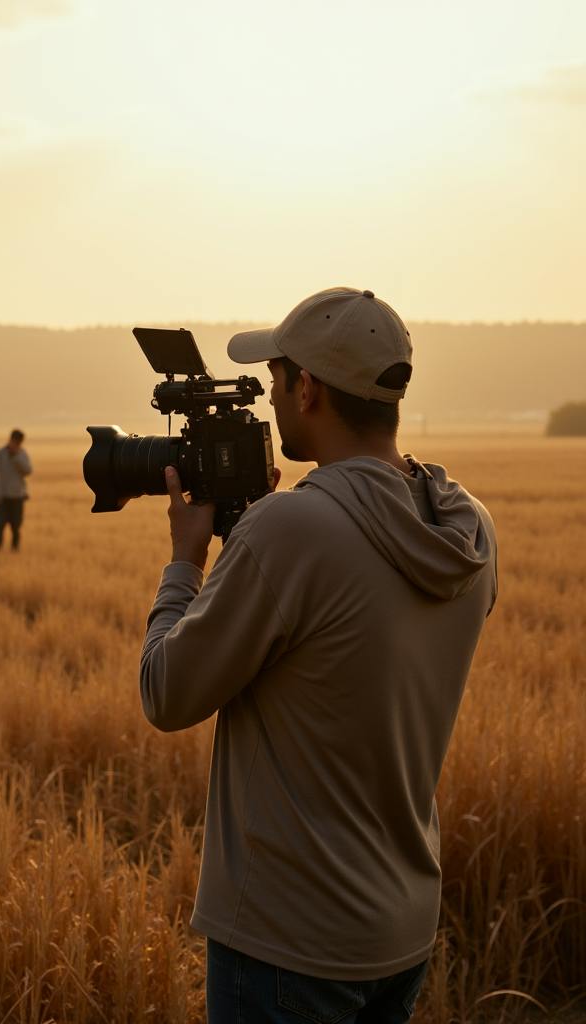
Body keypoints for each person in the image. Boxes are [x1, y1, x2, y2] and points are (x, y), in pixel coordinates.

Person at [139, 287, 498, 1023]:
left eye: (273, 382)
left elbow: (165, 693)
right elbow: (348, 638)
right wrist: (262, 530)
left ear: (307, 389)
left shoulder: (293, 531)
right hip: (400, 930)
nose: (268, 402)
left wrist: (186, 562)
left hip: (288, 945)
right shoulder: (466, 526)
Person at [0, 429, 32, 551]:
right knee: (0, 526)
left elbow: (28, 471)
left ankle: (15, 552)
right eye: (15, 441)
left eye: (19, 443)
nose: (17, 444)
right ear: (10, 439)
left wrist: (16, 457)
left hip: (17, 497)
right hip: (2, 497)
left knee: (16, 527)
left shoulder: (22, 454)